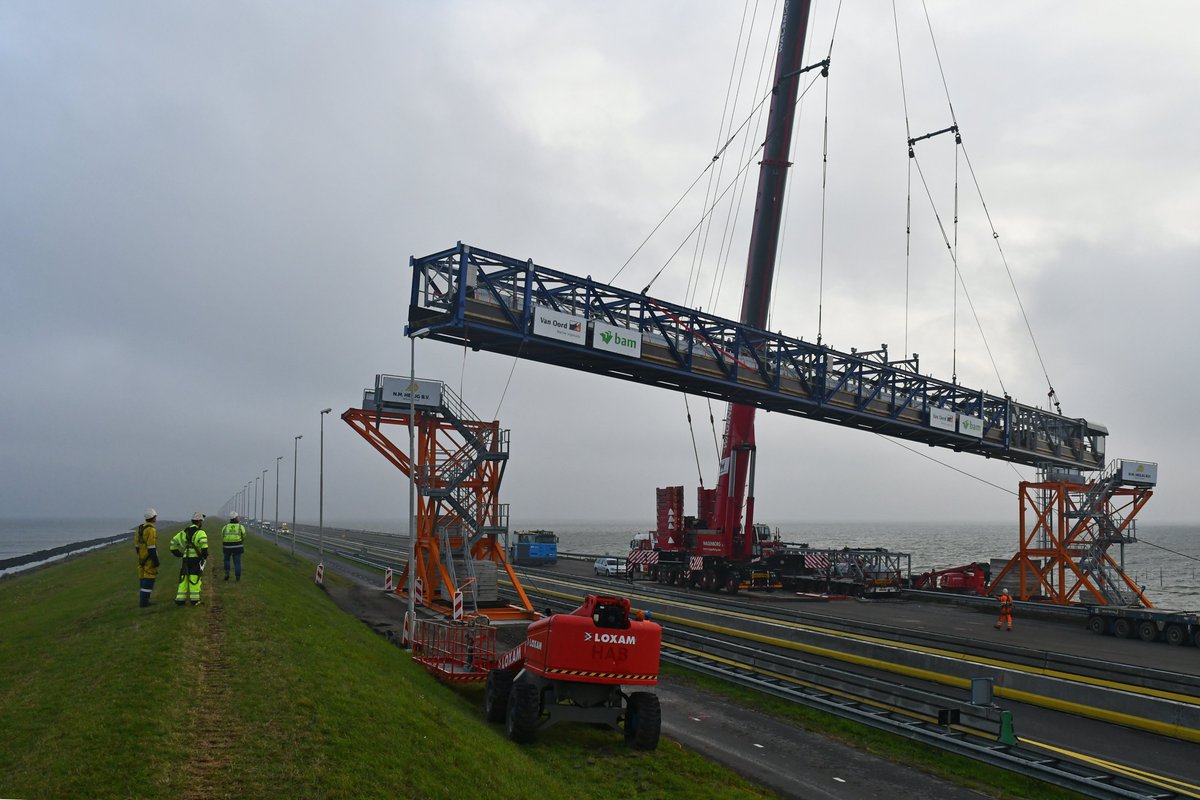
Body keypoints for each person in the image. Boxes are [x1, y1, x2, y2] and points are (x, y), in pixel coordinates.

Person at [170, 513, 209, 606]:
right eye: (201, 521)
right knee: (194, 579)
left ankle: (180, 600)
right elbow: (204, 547)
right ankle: (195, 600)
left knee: (183, 579)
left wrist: (179, 554)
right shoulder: (201, 533)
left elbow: (172, 544)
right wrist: (204, 556)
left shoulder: (183, 532)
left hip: (185, 560)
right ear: (199, 521)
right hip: (195, 560)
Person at [135, 508, 160, 607]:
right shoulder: (151, 530)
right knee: (149, 579)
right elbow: (152, 548)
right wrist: (156, 561)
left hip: (141, 558)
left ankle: (143, 601)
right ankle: (144, 603)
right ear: (153, 517)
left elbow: (137, 545)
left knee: (142, 578)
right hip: (149, 559)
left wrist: (140, 556)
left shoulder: (140, 528)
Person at [221, 512, 246, 581]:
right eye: (237, 517)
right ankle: (237, 577)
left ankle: (227, 574)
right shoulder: (240, 527)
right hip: (237, 546)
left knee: (226, 560)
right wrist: (240, 540)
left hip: (227, 546)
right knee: (237, 562)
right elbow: (244, 536)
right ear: (235, 518)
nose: (238, 518)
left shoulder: (225, 527)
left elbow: (222, 535)